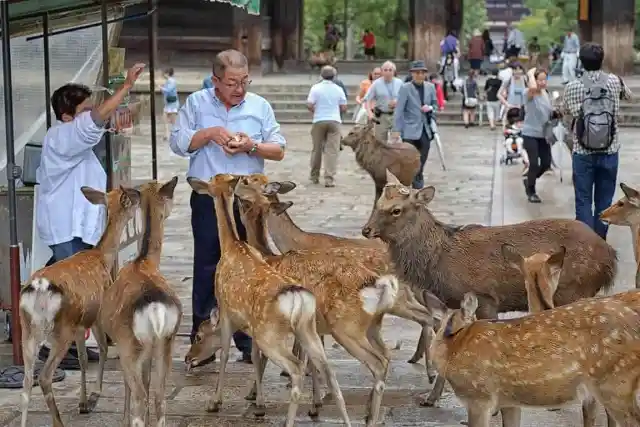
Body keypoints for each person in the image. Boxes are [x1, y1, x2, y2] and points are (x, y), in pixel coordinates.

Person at [170, 49, 286, 365]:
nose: (239, 89)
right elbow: (179, 144)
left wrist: (252, 146)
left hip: (247, 201)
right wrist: (208, 134)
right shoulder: (196, 103)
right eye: (232, 82)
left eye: (244, 81)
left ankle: (250, 341)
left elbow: (278, 150)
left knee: (250, 265)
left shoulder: (259, 106)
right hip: (210, 197)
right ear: (215, 80)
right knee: (208, 264)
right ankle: (204, 338)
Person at [36, 63, 145, 368]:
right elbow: (94, 122)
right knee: (69, 286)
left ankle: (68, 342)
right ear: (67, 115)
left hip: (79, 228)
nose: (92, 113)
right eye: (84, 109)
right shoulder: (61, 137)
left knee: (70, 283)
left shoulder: (75, 140)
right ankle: (55, 344)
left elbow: (97, 124)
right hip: (66, 227)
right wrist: (125, 87)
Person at [563, 42, 632, 239]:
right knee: (604, 200)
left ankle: (586, 244)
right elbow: (630, 96)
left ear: (581, 61)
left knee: (583, 199)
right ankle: (600, 241)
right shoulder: (614, 82)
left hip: (582, 152)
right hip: (609, 150)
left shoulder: (573, 86)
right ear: (602, 60)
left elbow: (565, 110)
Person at [393, 60, 438, 189]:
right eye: (416, 72)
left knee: (422, 157)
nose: (419, 75)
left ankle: (417, 177)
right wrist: (396, 129)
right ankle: (414, 181)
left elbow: (435, 105)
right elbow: (399, 110)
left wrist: (430, 108)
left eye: (422, 73)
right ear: (412, 74)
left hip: (425, 129)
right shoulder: (405, 88)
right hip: (409, 129)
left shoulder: (430, 87)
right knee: (409, 158)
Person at [307, 66, 347, 187]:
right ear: (334, 76)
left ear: (321, 75)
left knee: (316, 149)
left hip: (319, 119)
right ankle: (329, 178)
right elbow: (344, 107)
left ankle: (314, 175)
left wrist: (316, 111)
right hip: (334, 120)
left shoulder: (316, 88)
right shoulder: (338, 89)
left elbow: (309, 104)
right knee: (332, 151)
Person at [521, 67, 553, 203]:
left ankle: (529, 180)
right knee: (534, 163)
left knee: (546, 163)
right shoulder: (529, 93)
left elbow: (548, 112)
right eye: (539, 80)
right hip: (530, 133)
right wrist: (530, 74)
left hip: (543, 134)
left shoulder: (546, 93)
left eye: (545, 80)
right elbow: (533, 88)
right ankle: (531, 191)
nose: (543, 83)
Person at [363, 60, 403, 142]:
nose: (388, 72)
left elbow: (404, 98)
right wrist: (370, 113)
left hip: (395, 115)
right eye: (385, 70)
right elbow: (367, 99)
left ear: (394, 71)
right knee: (380, 142)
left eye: (390, 70)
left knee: (395, 141)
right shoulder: (376, 83)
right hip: (381, 116)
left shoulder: (399, 83)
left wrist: (397, 102)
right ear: (382, 71)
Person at [498, 64, 527, 130]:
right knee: (509, 131)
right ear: (512, 71)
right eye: (515, 69)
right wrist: (507, 104)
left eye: (519, 69)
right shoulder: (508, 80)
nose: (518, 71)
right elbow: (499, 94)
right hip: (511, 110)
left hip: (522, 109)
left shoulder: (525, 79)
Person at [160, 67, 179, 140]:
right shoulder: (168, 81)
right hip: (168, 103)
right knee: (165, 118)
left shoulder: (171, 81)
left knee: (173, 120)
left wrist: (161, 88)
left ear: (167, 73)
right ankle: (166, 134)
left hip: (172, 103)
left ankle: (175, 134)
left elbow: (168, 90)